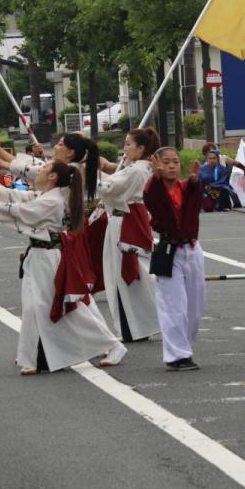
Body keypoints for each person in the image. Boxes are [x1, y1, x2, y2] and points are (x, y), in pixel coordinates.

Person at [0, 160, 126, 373]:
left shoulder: (53, 201)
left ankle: (112, 344)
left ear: (53, 177)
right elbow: (16, 197)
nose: (39, 172)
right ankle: (31, 358)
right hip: (38, 257)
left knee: (66, 308)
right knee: (32, 307)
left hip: (50, 259)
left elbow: (24, 212)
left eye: (44, 169)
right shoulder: (45, 196)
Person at [95, 128, 162, 343]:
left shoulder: (138, 170)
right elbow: (114, 180)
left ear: (141, 148)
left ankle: (138, 325)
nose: (124, 149)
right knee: (124, 275)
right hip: (123, 220)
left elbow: (110, 188)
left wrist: (87, 174)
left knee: (129, 274)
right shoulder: (136, 167)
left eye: (128, 144)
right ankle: (134, 326)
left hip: (126, 221)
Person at [143, 148, 206, 371]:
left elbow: (197, 201)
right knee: (173, 305)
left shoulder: (187, 186)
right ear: (156, 164)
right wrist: (155, 176)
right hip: (169, 250)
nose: (171, 166)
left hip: (192, 248)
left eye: (175, 162)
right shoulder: (154, 188)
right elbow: (150, 196)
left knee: (195, 306)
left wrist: (196, 181)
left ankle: (185, 348)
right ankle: (177, 355)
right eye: (166, 162)